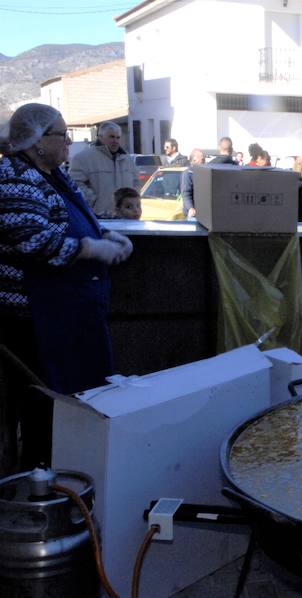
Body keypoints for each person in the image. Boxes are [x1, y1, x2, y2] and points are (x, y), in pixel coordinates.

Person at [0, 103, 133, 467]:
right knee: (43, 407)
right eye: (62, 135)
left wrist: (106, 233)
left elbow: (80, 217)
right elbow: (32, 240)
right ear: (38, 141)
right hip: (33, 319)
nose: (69, 143)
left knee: (79, 399)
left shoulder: (54, 174)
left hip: (71, 313)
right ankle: (40, 479)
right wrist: (90, 248)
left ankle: (71, 469)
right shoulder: (14, 174)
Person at [68, 121, 140, 218]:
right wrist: (93, 201)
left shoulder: (127, 159)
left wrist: (132, 204)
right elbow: (74, 184)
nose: (115, 140)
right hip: (98, 217)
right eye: (111, 137)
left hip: (125, 218)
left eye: (118, 137)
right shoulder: (83, 158)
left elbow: (136, 182)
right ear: (100, 137)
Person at [180, 148, 206, 219]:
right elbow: (186, 194)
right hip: (193, 214)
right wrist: (191, 208)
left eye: (204, 160)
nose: (204, 162)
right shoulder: (188, 174)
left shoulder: (204, 173)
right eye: (202, 160)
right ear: (194, 160)